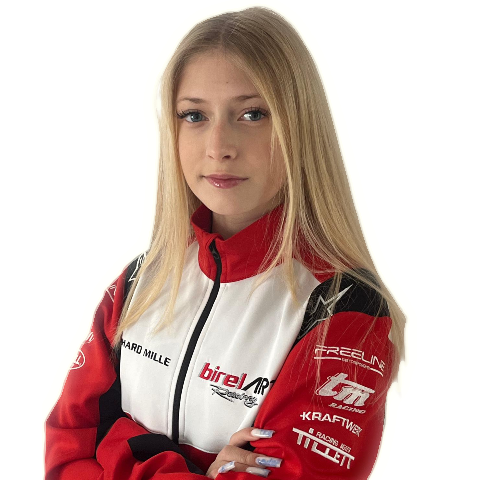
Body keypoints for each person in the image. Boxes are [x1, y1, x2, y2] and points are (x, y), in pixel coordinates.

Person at [44, 6, 405, 479]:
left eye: (252, 114)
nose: (218, 147)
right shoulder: (142, 279)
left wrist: (119, 446)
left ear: (299, 126)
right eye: (194, 115)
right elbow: (63, 453)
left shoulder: (344, 308)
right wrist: (202, 471)